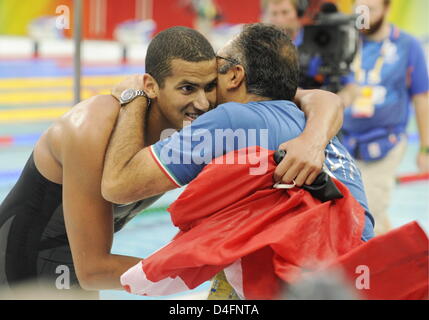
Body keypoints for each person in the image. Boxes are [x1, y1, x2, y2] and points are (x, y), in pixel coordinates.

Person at [0, 26, 344, 298]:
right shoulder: (92, 128)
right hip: (23, 265)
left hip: (74, 269)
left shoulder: (194, 131)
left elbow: (316, 97)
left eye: (209, 87)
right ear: (150, 85)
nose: (203, 102)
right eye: (186, 89)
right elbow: (93, 269)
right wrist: (213, 271)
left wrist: (313, 139)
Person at [102, 23, 375, 299]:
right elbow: (323, 98)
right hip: (356, 280)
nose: (204, 94)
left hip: (305, 285)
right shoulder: (307, 119)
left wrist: (133, 97)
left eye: (213, 74)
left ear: (234, 75)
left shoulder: (232, 120)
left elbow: (119, 184)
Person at [342, 0, 429, 235]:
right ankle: (400, 258)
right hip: (344, 143)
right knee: (363, 213)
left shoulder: (407, 45)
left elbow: (422, 97)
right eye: (360, 10)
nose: (365, 16)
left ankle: (377, 268)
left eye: (372, 9)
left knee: (365, 212)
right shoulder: (344, 41)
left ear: (387, 9)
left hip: (385, 142)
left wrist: (425, 149)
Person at [263, 0, 359, 106]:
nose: (280, 19)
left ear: (298, 12)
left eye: (285, 12)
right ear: (264, 16)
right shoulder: (258, 48)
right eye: (274, 13)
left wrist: (336, 105)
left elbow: (350, 85)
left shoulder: (320, 40)